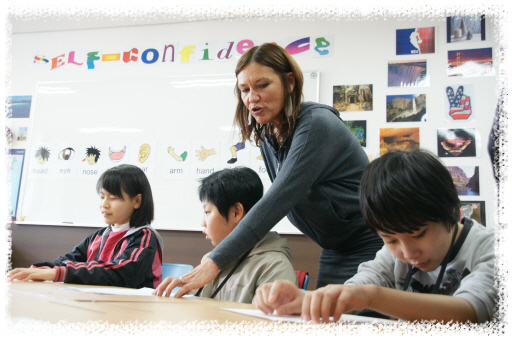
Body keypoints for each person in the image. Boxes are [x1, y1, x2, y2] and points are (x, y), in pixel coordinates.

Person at [165, 43, 383, 298]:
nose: (251, 98)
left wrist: (214, 261)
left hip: (370, 244)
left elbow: (278, 200)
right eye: (244, 89)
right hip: (333, 246)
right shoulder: (271, 136)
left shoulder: (317, 125)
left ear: (289, 82)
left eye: (262, 85)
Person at [254, 150, 496, 323]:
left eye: (419, 234)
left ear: (453, 211)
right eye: (390, 239)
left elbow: (470, 312)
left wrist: (370, 296)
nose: (408, 253)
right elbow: (361, 284)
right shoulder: (393, 256)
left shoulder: (490, 249)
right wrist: (307, 299)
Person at [154, 167, 297, 303]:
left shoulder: (274, 266)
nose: (202, 222)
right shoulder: (208, 260)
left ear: (236, 212)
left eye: (207, 212)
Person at [8, 164, 164, 289]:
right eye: (102, 197)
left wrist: (58, 273)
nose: (105, 204)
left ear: (137, 201)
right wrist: (42, 269)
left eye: (113, 198)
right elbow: (69, 260)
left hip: (135, 309)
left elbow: (121, 272)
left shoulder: (144, 236)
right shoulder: (99, 236)